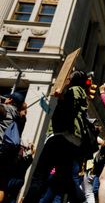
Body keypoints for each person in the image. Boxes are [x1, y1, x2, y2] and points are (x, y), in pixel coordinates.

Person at [24, 70, 90, 203]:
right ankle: (81, 199)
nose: (67, 79)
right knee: (64, 178)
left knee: (40, 176)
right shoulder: (78, 90)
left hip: (61, 137)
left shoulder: (75, 89)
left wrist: (62, 97)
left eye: (69, 77)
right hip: (68, 140)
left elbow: (70, 107)